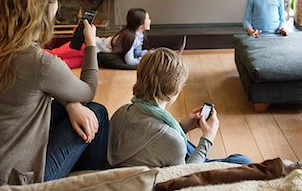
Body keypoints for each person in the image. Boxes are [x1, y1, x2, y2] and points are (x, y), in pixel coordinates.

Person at [0, 0, 109, 191]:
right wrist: (91, 45)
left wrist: (70, 103)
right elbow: (88, 90)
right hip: (18, 183)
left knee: (76, 110)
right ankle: (91, 184)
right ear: (44, 8)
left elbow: (30, 92)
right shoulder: (40, 63)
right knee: (96, 112)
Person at [107, 47, 252, 168]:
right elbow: (182, 176)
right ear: (172, 91)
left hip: (130, 170)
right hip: (158, 180)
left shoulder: (121, 112)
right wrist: (208, 137)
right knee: (243, 161)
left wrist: (181, 126)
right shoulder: (171, 139)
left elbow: (150, 143)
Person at [47, 8, 151, 68]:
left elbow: (136, 53)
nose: (150, 20)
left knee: (61, 65)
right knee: (53, 54)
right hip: (86, 45)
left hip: (92, 55)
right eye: (148, 18)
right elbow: (129, 60)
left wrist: (144, 54)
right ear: (141, 23)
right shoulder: (130, 37)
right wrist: (143, 60)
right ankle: (31, 52)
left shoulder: (138, 36)